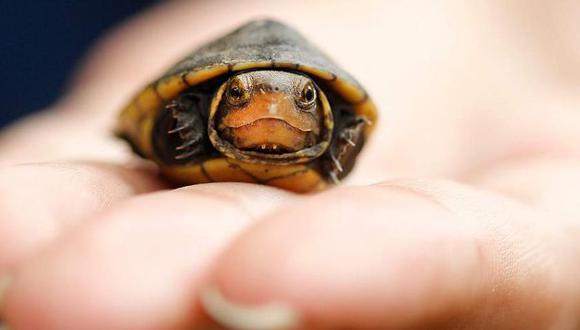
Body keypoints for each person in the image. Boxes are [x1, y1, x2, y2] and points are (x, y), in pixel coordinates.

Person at [0, 1, 579, 329]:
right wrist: (176, 132)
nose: (271, 106)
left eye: (302, 99)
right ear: (220, 102)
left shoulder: (342, 124)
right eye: (246, 93)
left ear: (324, 114)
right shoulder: (189, 113)